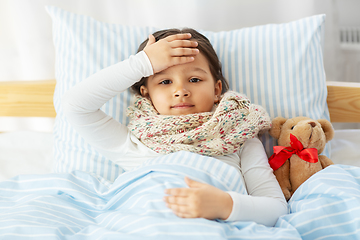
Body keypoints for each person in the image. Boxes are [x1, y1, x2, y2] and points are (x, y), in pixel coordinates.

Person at [62, 28, 287, 227]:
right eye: (165, 81)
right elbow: (75, 106)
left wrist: (226, 205)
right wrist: (143, 63)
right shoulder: (134, 143)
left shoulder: (240, 139)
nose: (180, 90)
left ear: (217, 90)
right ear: (146, 92)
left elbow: (276, 208)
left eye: (195, 80)